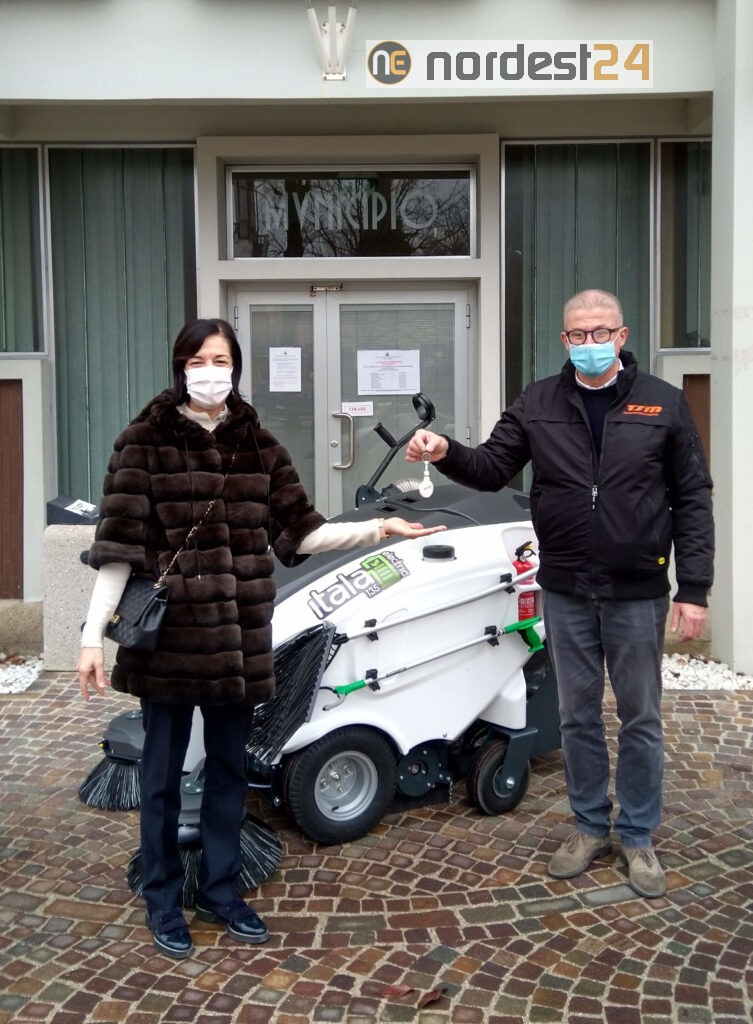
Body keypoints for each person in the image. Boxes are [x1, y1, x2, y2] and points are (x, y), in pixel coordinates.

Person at [77, 317, 446, 959]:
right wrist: (91, 636)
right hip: (168, 644)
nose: (209, 372)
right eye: (197, 360)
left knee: (230, 771)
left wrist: (379, 528)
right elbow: (117, 550)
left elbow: (300, 532)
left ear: (236, 368)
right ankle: (162, 896)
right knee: (161, 776)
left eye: (220, 360)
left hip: (239, 639)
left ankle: (220, 890)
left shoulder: (260, 443)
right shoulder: (142, 441)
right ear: (180, 368)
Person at [406, 289, 713, 899]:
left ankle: (638, 834)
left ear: (621, 336)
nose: (589, 343)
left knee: (641, 716)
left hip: (637, 589)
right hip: (567, 586)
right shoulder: (539, 401)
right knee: (576, 716)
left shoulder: (663, 403)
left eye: (600, 332)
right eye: (578, 334)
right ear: (564, 340)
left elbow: (692, 497)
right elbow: (491, 467)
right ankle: (589, 825)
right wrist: (445, 452)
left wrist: (695, 587)